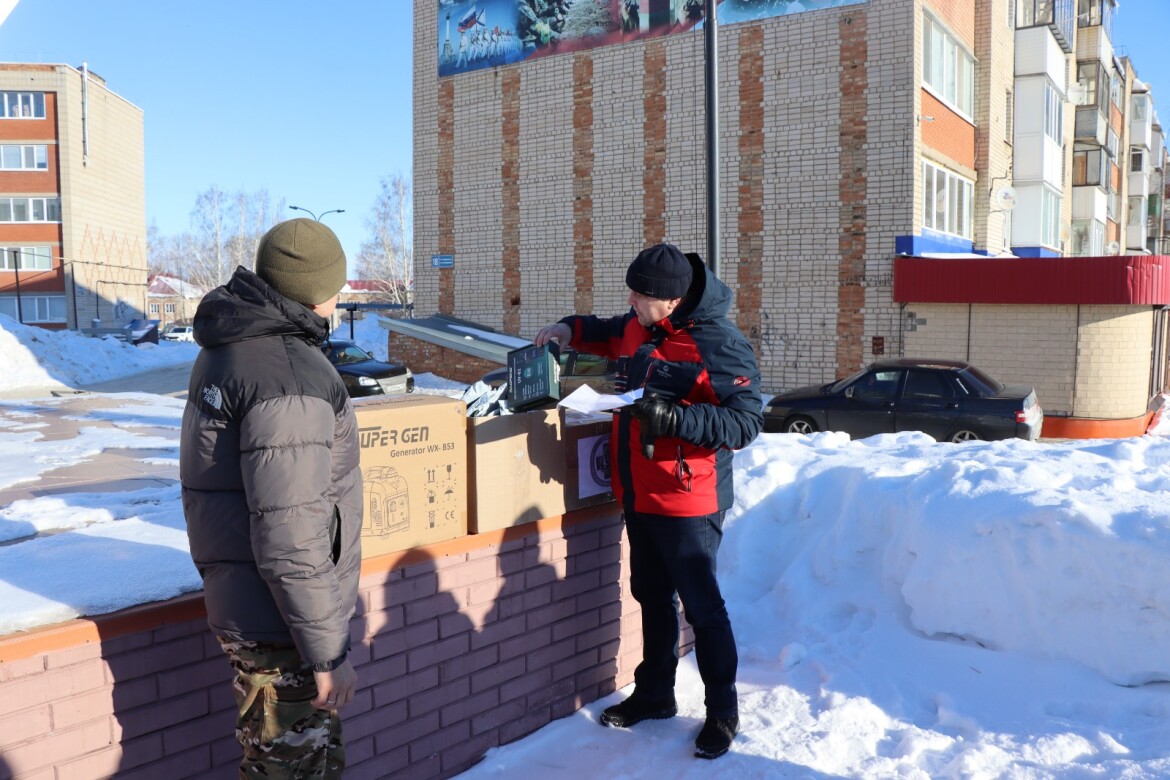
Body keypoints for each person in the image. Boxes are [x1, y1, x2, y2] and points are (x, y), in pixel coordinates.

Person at [535, 242, 763, 760]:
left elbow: (746, 421)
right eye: (631, 291)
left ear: (672, 299)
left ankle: (722, 713)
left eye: (640, 294)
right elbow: (607, 330)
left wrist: (677, 420)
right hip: (638, 492)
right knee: (651, 597)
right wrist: (567, 330)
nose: (631, 300)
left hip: (689, 500)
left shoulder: (719, 343)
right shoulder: (639, 324)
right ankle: (656, 694)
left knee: (703, 611)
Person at [180, 218, 363, 778]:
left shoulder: (233, 344)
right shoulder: (288, 374)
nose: (344, 292)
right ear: (312, 287)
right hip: (284, 628)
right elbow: (291, 534)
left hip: (256, 610)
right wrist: (326, 654)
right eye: (338, 280)